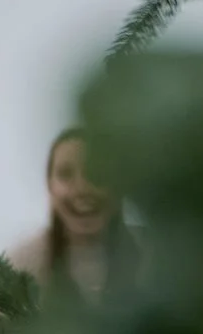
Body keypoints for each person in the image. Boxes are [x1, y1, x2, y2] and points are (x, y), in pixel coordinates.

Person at [15, 127, 138, 302]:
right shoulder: (21, 265)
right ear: (50, 185)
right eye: (65, 174)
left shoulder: (158, 258)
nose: (82, 188)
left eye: (96, 173)